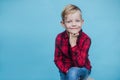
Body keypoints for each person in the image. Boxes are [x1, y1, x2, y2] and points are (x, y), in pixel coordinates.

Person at [54, 4, 92, 80]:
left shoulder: (86, 39)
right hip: (65, 69)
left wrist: (73, 44)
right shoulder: (59, 38)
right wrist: (66, 70)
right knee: (70, 73)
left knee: (73, 72)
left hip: (83, 69)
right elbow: (57, 59)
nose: (74, 24)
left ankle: (84, 78)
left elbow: (80, 64)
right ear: (63, 24)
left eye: (77, 21)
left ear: (82, 22)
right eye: (69, 21)